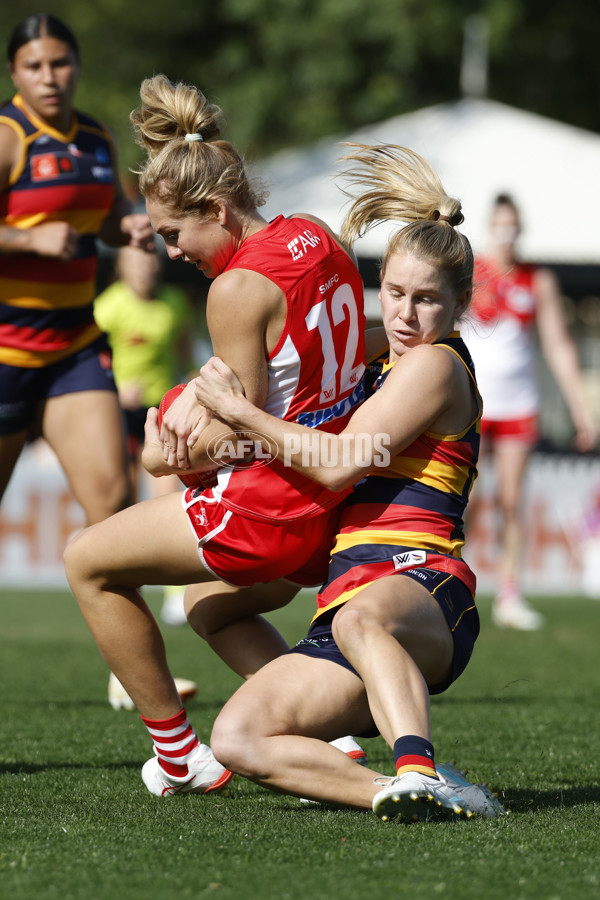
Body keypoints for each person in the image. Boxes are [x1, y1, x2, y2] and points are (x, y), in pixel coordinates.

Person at [64, 74, 366, 797]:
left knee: (87, 562)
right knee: (208, 603)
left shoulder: (234, 289)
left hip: (268, 507)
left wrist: (169, 443)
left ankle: (179, 757)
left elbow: (243, 437)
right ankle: (331, 733)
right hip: (328, 503)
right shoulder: (315, 236)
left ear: (216, 209)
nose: (170, 252)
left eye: (174, 234)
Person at [191, 143, 496, 822]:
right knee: (237, 726)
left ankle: (416, 760)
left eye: (427, 300)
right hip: (346, 595)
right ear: (377, 284)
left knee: (363, 615)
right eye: (394, 294)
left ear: (461, 303)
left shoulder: (436, 367)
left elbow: (334, 460)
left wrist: (237, 411)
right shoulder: (381, 352)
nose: (408, 315)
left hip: (423, 587)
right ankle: (406, 791)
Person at [0, 14, 155, 525]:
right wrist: (28, 238)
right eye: (34, 66)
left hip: (74, 346)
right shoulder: (8, 137)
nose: (49, 77)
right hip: (7, 349)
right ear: (14, 73)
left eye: (60, 63)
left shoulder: (95, 137)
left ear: (77, 67)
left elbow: (107, 219)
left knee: (112, 508)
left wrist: (126, 230)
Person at [461, 194, 597, 630]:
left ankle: (509, 592)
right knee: (462, 497)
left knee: (511, 501)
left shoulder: (536, 279)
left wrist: (581, 410)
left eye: (513, 226)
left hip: (519, 404)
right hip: (475, 403)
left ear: (520, 229)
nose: (506, 234)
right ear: (489, 226)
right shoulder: (471, 272)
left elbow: (558, 345)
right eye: (499, 225)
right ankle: (445, 583)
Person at [94, 244, 196, 626]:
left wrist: (189, 386)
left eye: (149, 261)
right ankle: (121, 584)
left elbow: (186, 354)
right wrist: (115, 389)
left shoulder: (174, 303)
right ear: (122, 266)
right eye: (135, 261)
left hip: (160, 410)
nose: (144, 269)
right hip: (114, 408)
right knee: (116, 496)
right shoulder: (109, 306)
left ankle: (175, 591)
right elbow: (90, 359)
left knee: (167, 493)